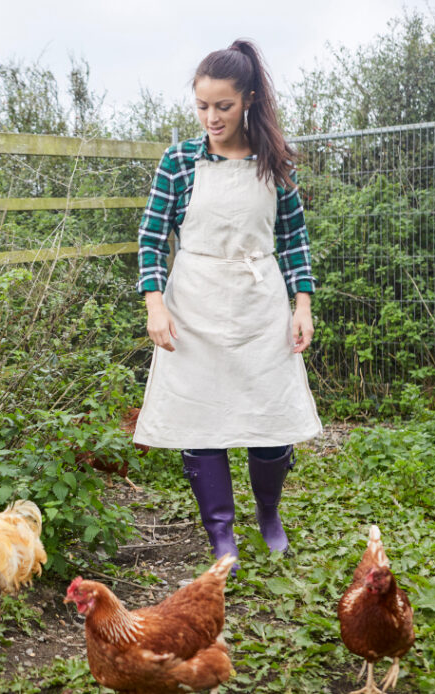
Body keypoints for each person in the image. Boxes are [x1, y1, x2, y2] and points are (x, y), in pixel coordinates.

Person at [131, 39, 323, 564]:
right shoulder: (179, 162)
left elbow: (295, 240)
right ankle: (221, 534)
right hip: (194, 304)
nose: (211, 117)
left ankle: (268, 514)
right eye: (202, 106)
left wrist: (301, 304)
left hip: (260, 305)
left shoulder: (276, 164)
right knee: (203, 420)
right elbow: (151, 238)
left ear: (250, 101)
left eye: (223, 106)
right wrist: (155, 303)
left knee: (271, 418)